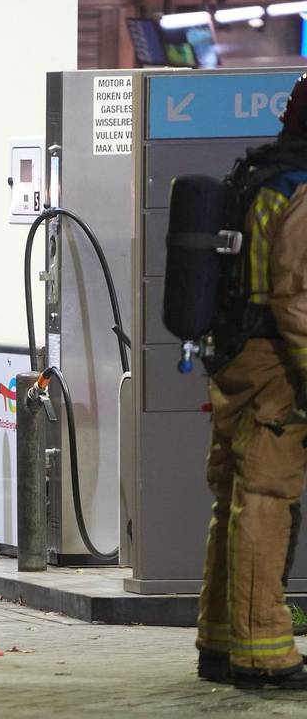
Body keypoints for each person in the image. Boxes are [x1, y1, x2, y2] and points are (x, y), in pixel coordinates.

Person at [197, 72, 307, 689]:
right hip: (279, 367)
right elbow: (297, 297)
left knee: (235, 499)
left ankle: (219, 641)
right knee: (266, 501)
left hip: (237, 358)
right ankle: (265, 654)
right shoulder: (301, 186)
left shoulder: (258, 175)